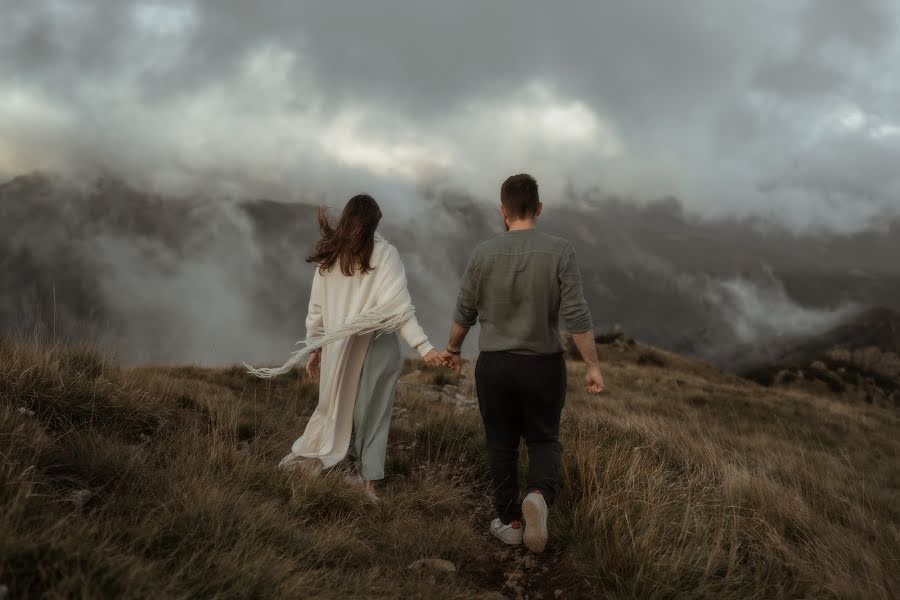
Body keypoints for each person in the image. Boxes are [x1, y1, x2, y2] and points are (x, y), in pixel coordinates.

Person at [439, 174, 605, 553]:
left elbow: (464, 311)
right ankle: (538, 497)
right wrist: (593, 365)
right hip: (542, 366)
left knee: (501, 445)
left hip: (495, 366)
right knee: (544, 439)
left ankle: (511, 521)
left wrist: (451, 349)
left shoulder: (483, 253)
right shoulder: (560, 251)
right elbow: (577, 315)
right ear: (539, 209)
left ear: (503, 211)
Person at [246, 194, 445, 499]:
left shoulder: (330, 258)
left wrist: (317, 348)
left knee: (342, 410)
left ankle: (351, 473)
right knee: (374, 414)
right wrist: (425, 347)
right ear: (374, 223)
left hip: (340, 348)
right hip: (378, 346)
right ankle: (368, 485)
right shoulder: (385, 254)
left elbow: (317, 311)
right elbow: (401, 309)